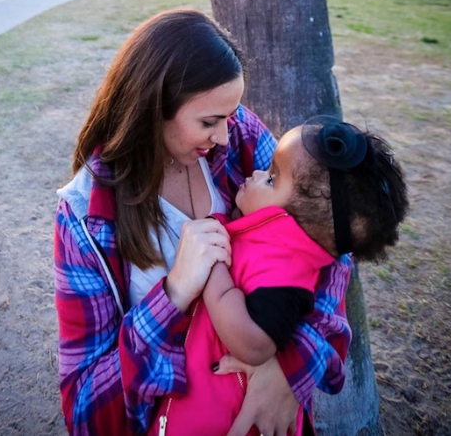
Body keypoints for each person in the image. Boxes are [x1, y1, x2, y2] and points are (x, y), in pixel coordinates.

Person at [53, 9, 353, 436]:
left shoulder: (239, 132)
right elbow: (85, 411)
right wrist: (173, 293)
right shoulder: (85, 218)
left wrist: (289, 368)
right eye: (209, 122)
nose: (226, 136)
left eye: (229, 117)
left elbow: (328, 244)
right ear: (153, 107)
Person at [147, 117, 409, 436]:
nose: (255, 173)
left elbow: (255, 345)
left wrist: (213, 270)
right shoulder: (271, 244)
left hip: (226, 419)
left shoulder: (285, 269)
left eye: (271, 179)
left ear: (293, 221)